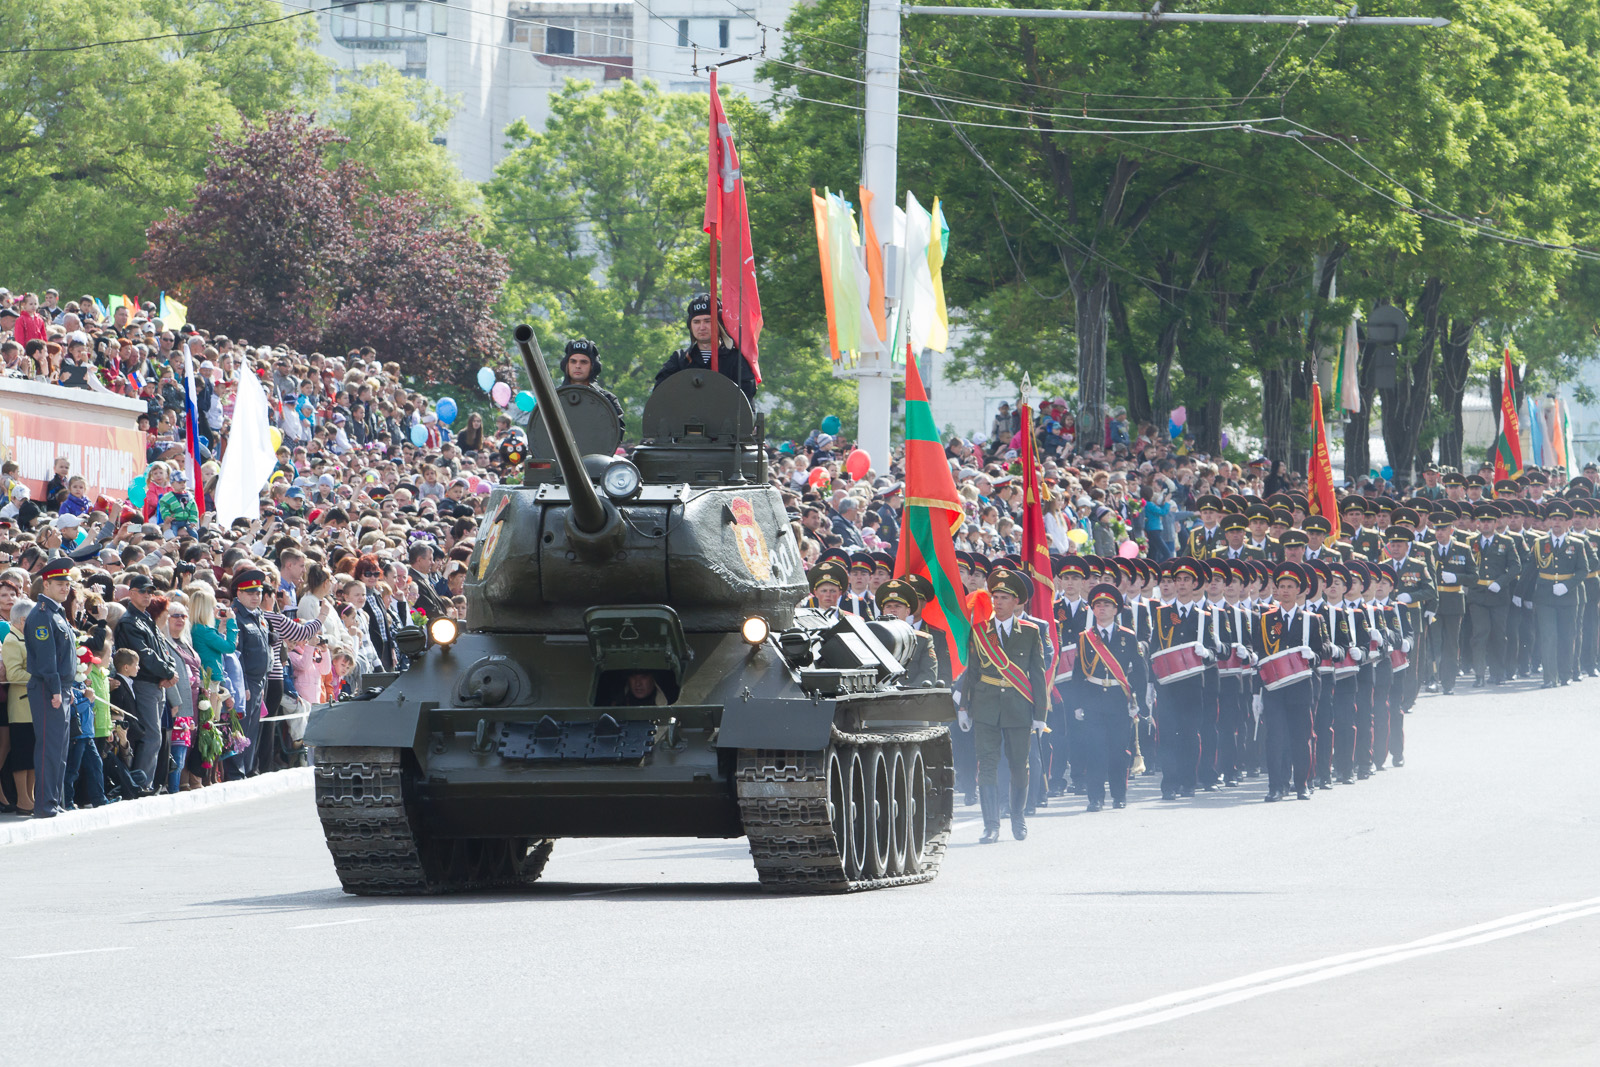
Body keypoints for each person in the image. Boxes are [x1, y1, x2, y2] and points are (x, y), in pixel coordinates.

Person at [958, 567, 1046, 844]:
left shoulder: (1031, 632)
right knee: (987, 765)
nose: (997, 601)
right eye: (995, 596)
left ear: (1017, 601)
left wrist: (1040, 715)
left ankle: (1018, 818)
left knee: (1019, 764)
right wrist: (964, 706)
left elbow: (1038, 674)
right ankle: (991, 825)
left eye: (1004, 597)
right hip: (985, 707)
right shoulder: (980, 631)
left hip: (1019, 707)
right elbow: (971, 671)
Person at [1066, 583, 1145, 811]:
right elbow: (1078, 673)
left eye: (1107, 605)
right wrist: (1078, 704)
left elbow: (1139, 669)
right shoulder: (1085, 638)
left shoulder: (1127, 637)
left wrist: (1135, 699)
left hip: (1119, 700)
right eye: (1098, 605)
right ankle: (1095, 798)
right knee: (1095, 751)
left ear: (1116, 609)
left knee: (1119, 752)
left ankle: (1119, 796)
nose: (1102, 609)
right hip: (1093, 700)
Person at [24, 558, 77, 818]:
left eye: (67, 583)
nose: (65, 587)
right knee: (49, 748)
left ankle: (55, 801)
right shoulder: (42, 614)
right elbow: (46, 658)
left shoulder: (56, 612)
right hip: (48, 688)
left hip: (61, 688)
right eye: (59, 583)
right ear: (46, 584)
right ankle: (45, 805)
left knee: (60, 750)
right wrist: (57, 690)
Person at [653, 293, 757, 401]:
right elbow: (660, 394)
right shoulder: (680, 360)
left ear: (719, 324)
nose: (702, 327)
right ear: (690, 326)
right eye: (696, 322)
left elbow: (746, 399)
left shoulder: (735, 359)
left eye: (708, 321)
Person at [560, 338, 624, 431]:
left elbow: (614, 434)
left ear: (593, 366)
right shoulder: (552, 398)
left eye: (583, 362)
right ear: (566, 365)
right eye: (573, 361)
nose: (577, 366)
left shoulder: (607, 400)